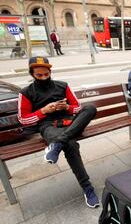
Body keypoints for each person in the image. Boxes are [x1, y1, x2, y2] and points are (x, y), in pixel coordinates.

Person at [17, 56, 99, 208]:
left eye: (46, 74)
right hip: (49, 127)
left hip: (70, 123)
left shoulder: (62, 86)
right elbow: (23, 119)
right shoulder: (26, 92)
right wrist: (43, 111)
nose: (43, 78)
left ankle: (56, 145)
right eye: (39, 75)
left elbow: (77, 107)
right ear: (32, 74)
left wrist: (66, 107)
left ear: (50, 71)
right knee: (71, 145)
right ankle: (88, 188)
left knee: (91, 108)